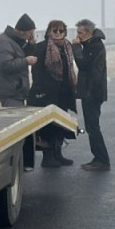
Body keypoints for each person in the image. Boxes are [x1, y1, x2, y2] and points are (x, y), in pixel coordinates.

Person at [28, 20, 78, 168]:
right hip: (47, 94)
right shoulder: (41, 47)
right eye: (54, 30)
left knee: (61, 125)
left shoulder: (67, 47)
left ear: (65, 32)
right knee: (48, 126)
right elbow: (36, 72)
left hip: (64, 93)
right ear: (49, 31)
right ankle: (48, 157)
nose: (58, 33)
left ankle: (58, 154)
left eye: (61, 31)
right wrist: (40, 91)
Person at [73, 19, 111, 171]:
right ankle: (98, 157)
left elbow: (83, 64)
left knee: (93, 127)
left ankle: (102, 160)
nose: (78, 35)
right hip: (90, 91)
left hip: (92, 92)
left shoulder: (95, 46)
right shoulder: (91, 44)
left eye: (80, 33)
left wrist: (76, 47)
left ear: (88, 33)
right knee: (91, 126)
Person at [0, 14, 38, 106]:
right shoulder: (4, 42)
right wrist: (26, 61)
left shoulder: (16, 41)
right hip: (10, 92)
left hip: (17, 90)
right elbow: (5, 65)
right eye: (30, 33)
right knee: (14, 114)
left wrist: (31, 44)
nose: (31, 35)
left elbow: (23, 54)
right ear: (22, 31)